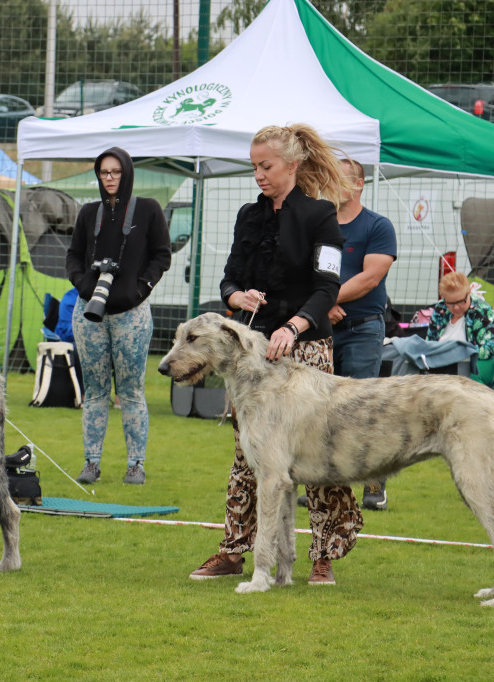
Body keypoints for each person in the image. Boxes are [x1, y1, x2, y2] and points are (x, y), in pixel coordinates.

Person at [189, 123, 363, 586]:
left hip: (307, 350)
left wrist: (294, 325)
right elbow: (228, 278)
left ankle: (322, 555)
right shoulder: (249, 215)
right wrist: (236, 296)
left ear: (292, 164)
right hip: (254, 357)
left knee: (322, 457)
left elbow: (328, 288)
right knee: (248, 459)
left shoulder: (321, 215)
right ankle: (233, 550)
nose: (259, 175)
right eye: (254, 167)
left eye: (266, 166)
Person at [66, 147, 171, 485]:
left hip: (132, 315)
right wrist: (84, 285)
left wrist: (141, 289)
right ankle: (91, 463)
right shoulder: (88, 213)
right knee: (94, 391)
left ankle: (135, 464)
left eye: (115, 172)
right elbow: (73, 256)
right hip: (89, 312)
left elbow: (162, 255)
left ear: (127, 173)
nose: (109, 178)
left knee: (131, 391)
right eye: (103, 173)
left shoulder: (149, 210)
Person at [328, 158, 397, 511]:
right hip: (323, 328)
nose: (329, 183)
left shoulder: (377, 226)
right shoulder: (321, 226)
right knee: (324, 410)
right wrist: (321, 306)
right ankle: (330, 487)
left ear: (358, 185)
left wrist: (327, 298)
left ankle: (374, 484)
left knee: (362, 409)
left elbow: (371, 277)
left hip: (362, 329)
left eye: (337, 178)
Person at [426, 272, 494, 389]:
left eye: (460, 301)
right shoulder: (440, 310)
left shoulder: (482, 311)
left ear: (469, 294)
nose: (456, 307)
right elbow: (429, 343)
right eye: (450, 303)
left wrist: (458, 354)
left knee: (467, 377)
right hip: (447, 366)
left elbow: (493, 348)